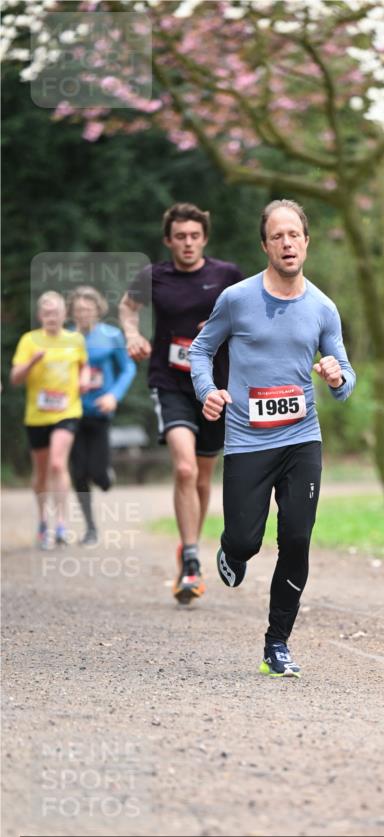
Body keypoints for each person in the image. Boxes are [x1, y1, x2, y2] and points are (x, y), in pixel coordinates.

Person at [190, 199, 356, 677]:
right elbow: (202, 351)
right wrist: (208, 391)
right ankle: (232, 549)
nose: (287, 243)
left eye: (295, 235)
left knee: (297, 539)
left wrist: (337, 377)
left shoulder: (323, 308)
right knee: (246, 541)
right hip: (246, 440)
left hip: (302, 439)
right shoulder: (237, 299)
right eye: (277, 236)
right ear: (265, 245)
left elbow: (346, 377)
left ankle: (276, 643)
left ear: (306, 242)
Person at [119, 203, 243, 603]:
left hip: (214, 388)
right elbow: (127, 307)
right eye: (180, 237)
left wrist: (226, 328)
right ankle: (191, 559)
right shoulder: (154, 275)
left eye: (194, 236)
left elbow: (250, 314)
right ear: (168, 240)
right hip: (169, 382)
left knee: (203, 476)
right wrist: (131, 335)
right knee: (185, 468)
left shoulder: (226, 275)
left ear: (204, 238)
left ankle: (187, 544)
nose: (188, 243)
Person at [11, 290, 89, 548]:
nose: (51, 317)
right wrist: (32, 362)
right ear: (39, 316)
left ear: (64, 314)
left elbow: (83, 365)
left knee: (58, 463)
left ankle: (62, 525)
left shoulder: (75, 340)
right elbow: (15, 379)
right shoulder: (29, 341)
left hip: (67, 411)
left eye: (56, 312)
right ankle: (43, 521)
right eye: (46, 313)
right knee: (42, 472)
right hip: (36, 415)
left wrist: (84, 378)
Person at [67, 286, 136, 544]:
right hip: (71, 413)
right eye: (78, 310)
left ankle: (106, 475)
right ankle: (90, 528)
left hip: (100, 412)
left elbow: (127, 368)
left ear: (98, 310)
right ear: (72, 312)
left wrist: (113, 396)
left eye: (88, 309)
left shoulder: (111, 336)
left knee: (99, 475)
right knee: (78, 473)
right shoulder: (66, 338)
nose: (83, 314)